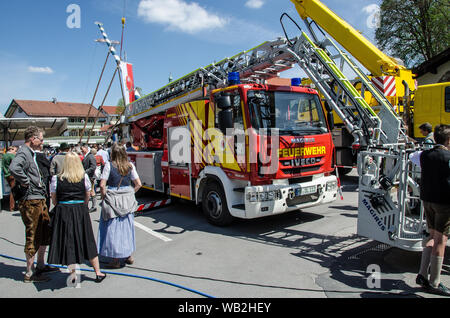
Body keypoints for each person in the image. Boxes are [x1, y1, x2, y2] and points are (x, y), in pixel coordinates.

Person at [47, 152, 106, 283]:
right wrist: (82, 206)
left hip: (64, 211)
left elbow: (54, 199)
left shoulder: (57, 178)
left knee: (69, 241)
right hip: (80, 210)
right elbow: (87, 195)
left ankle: (73, 275)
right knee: (87, 239)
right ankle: (98, 272)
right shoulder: (83, 176)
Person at [9, 126, 58, 282]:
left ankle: (41, 265)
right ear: (33, 139)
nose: (42, 142)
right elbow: (14, 168)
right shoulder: (24, 152)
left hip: (38, 198)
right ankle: (30, 273)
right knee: (33, 234)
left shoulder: (30, 153)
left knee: (43, 232)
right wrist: (26, 182)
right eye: (41, 139)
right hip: (31, 200)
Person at [414, 124, 450, 296]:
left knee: (431, 236)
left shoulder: (425, 155)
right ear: (448, 140)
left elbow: (413, 158)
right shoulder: (448, 157)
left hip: (427, 200)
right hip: (443, 203)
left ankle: (422, 274)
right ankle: (435, 282)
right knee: (441, 241)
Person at [98, 144, 142, 269]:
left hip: (113, 199)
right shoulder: (130, 165)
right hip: (127, 199)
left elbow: (102, 185)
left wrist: (104, 197)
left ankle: (115, 259)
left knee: (113, 229)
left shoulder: (109, 165)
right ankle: (128, 255)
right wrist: (130, 194)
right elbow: (138, 184)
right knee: (127, 228)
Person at [81, 143, 97, 212]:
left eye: (82, 149)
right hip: (88, 176)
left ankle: (93, 206)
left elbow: (93, 167)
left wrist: (85, 172)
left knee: (91, 191)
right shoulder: (87, 156)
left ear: (85, 148)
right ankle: (91, 206)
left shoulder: (90, 156)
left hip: (90, 176)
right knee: (90, 191)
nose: (81, 150)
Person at [35, 144, 51, 210]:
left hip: (36, 175)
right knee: (45, 192)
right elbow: (48, 164)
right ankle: (46, 207)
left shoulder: (32, 154)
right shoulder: (40, 155)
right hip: (43, 175)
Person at [2, 146, 18, 211]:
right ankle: (12, 206)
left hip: (6, 175)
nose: (15, 152)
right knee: (13, 190)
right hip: (12, 175)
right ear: (11, 149)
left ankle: (12, 206)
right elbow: (16, 164)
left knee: (12, 189)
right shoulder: (11, 156)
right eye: (15, 150)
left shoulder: (4, 156)